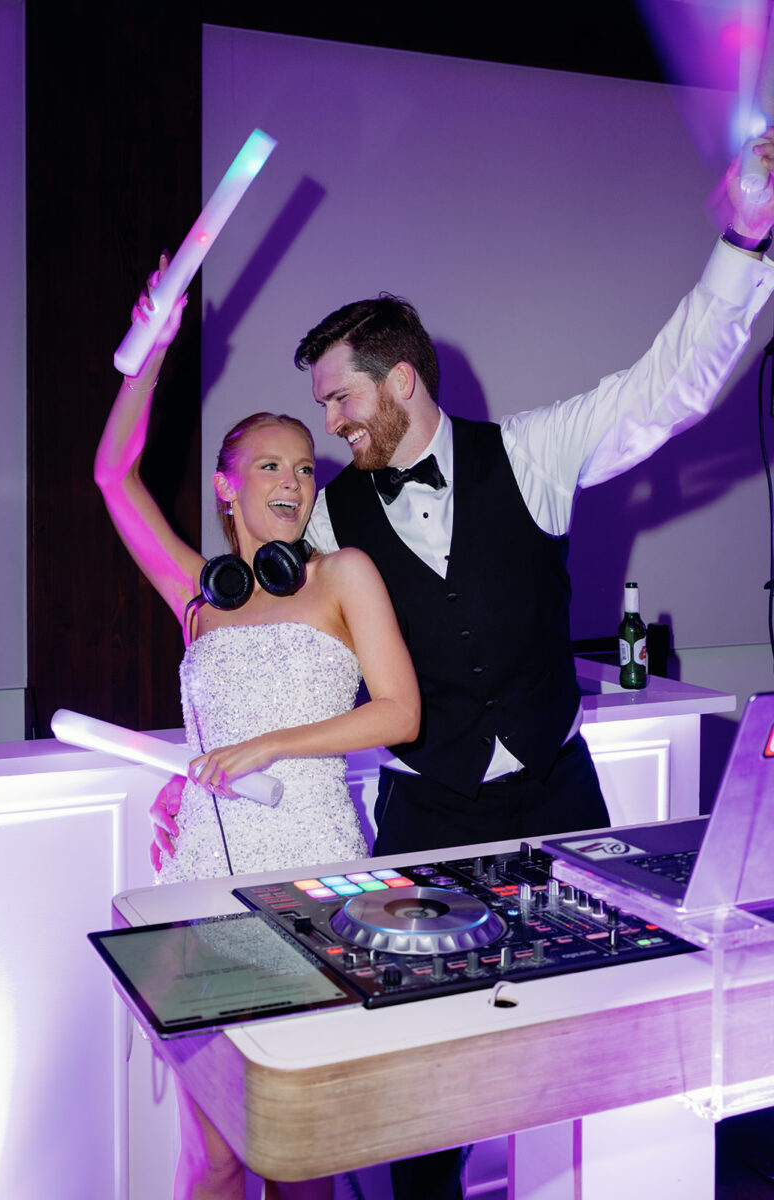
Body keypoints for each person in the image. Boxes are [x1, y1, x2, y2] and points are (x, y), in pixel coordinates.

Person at [292, 139, 774, 1198]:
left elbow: (667, 389)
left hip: (559, 799)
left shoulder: (534, 451)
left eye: (338, 400)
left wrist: (740, 240)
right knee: (423, 1067)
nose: (330, 422)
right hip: (423, 814)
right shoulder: (332, 513)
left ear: (399, 378)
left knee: (595, 1035)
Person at [95, 261, 420, 1200]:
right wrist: (149, 348)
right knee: (214, 1154)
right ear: (225, 486)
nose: (291, 480)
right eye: (268, 466)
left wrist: (271, 745)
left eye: (303, 467)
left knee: (294, 1149)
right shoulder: (196, 594)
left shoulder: (342, 575)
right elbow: (112, 474)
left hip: (313, 872)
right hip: (200, 882)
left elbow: (399, 712)